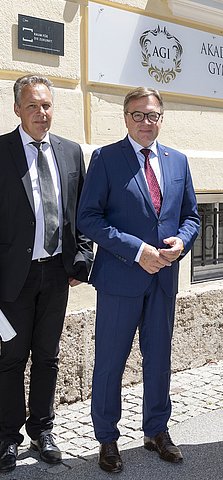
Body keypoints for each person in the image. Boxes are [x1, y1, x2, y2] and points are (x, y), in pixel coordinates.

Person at [77, 87, 199, 473]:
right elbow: (89, 218)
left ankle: (157, 431)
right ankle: (107, 439)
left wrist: (183, 240)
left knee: (159, 359)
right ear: (125, 117)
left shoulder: (177, 161)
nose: (146, 123)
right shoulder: (106, 159)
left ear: (162, 118)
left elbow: (192, 216)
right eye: (138, 115)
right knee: (110, 362)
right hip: (120, 279)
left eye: (153, 116)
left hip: (164, 278)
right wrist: (137, 250)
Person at [0, 75, 93, 472]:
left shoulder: (70, 152)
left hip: (56, 275)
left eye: (47, 105)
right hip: (11, 278)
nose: (42, 112)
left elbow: (83, 214)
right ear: (18, 109)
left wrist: (81, 259)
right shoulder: (1, 151)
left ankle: (43, 430)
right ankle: (7, 438)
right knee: (10, 358)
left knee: (48, 358)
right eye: (33, 105)